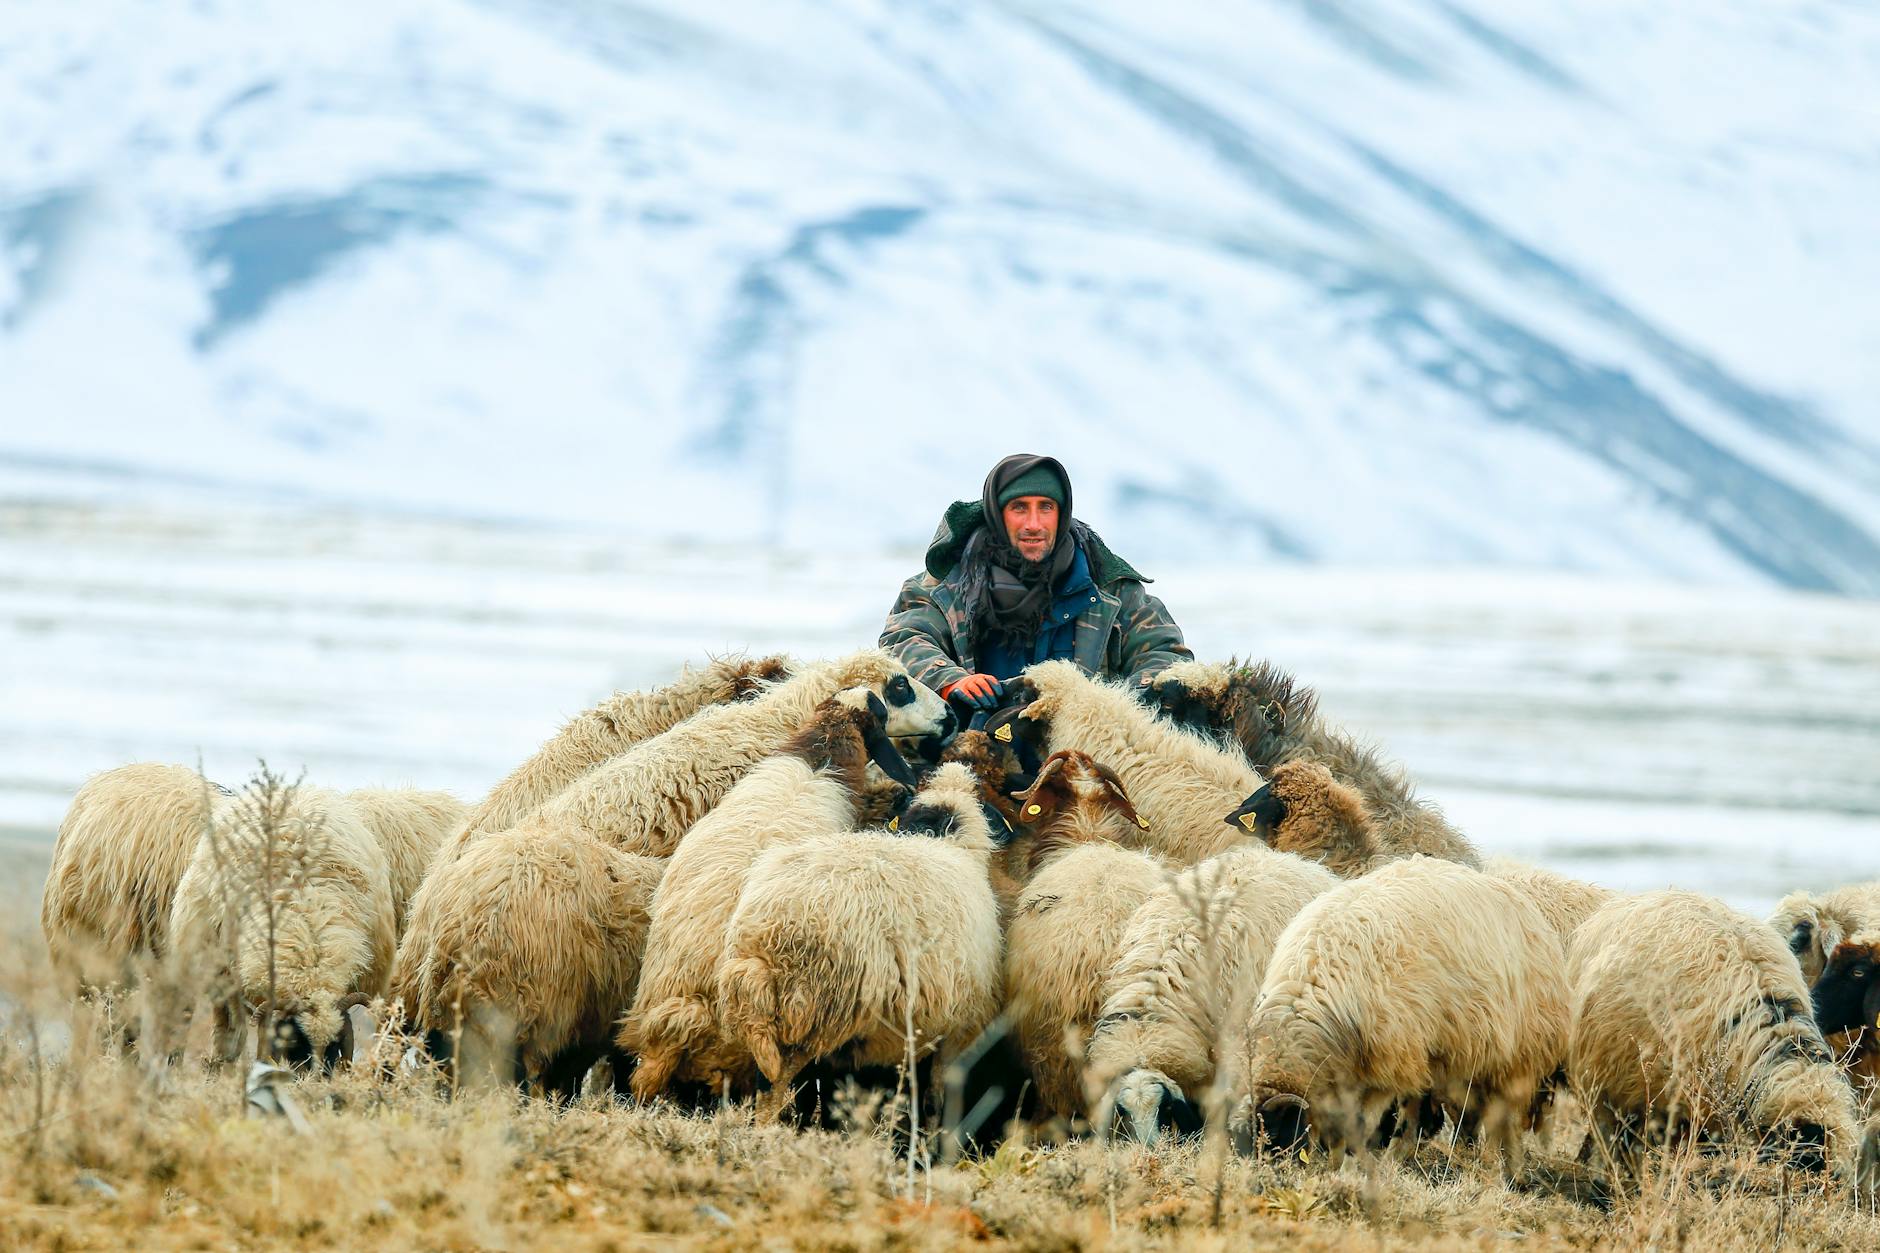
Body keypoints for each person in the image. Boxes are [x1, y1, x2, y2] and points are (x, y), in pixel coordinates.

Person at [880, 454, 1192, 715]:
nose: (1033, 524)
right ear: (996, 514)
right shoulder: (944, 584)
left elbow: (1166, 655)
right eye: (1019, 507)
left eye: (1045, 507)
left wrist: (1114, 710)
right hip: (975, 751)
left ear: (1062, 513)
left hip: (1087, 755)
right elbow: (904, 637)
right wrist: (950, 681)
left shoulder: (1110, 588)